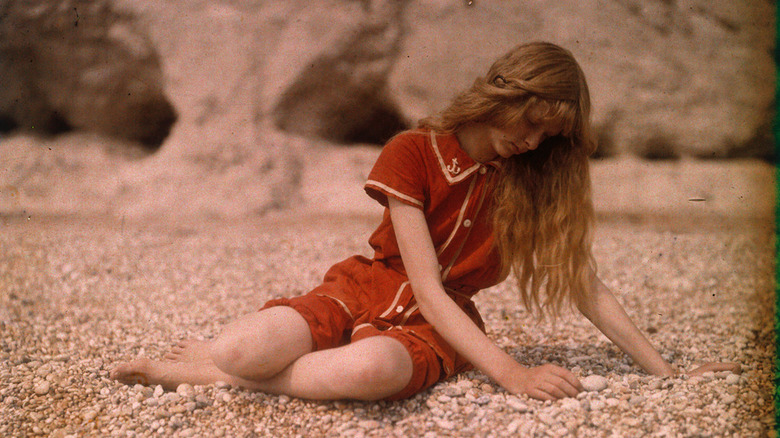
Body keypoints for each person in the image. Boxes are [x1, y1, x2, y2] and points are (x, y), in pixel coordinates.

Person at [110, 42, 739, 401]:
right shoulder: (413, 151)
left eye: (552, 133)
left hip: (440, 325)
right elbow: (424, 283)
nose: (535, 142)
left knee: (371, 372)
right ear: (503, 97)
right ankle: (223, 364)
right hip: (361, 288)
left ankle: (215, 375)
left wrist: (667, 374)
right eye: (532, 122)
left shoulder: (534, 180)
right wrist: (511, 372)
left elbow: (584, 285)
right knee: (244, 346)